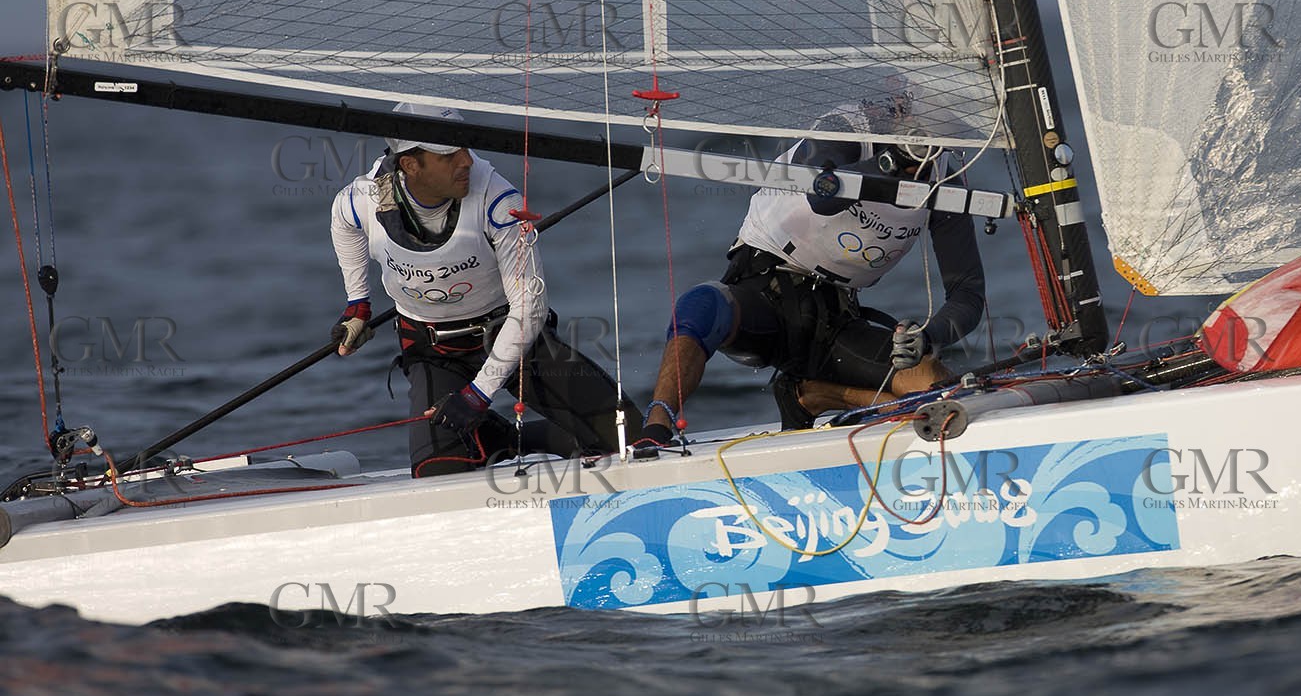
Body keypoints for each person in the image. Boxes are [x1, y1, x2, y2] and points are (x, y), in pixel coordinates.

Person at [639, 97, 987, 448]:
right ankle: (655, 430)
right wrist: (891, 163)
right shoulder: (846, 129)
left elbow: (967, 295)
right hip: (765, 291)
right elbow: (822, 195)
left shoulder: (947, 181)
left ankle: (812, 394)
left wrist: (928, 336)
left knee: (938, 392)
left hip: (834, 322)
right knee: (702, 306)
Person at [330, 102, 641, 476]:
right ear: (410, 165)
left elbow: (529, 310)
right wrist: (358, 303)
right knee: (437, 474)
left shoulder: (500, 202)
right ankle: (499, 438)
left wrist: (479, 394)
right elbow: (342, 221)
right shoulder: (362, 198)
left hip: (512, 336)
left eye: (464, 147)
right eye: (448, 156)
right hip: (433, 350)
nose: (465, 162)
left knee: (634, 439)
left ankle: (543, 437)